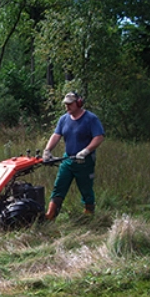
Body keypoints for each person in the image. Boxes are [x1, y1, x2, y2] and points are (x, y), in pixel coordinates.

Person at [42, 92, 105, 220]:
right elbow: (56, 135)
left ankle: (88, 214)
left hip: (84, 161)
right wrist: (47, 150)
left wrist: (86, 151)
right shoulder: (64, 119)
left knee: (86, 188)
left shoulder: (90, 119)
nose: (67, 107)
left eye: (70, 104)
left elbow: (99, 137)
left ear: (79, 103)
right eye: (66, 104)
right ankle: (50, 215)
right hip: (68, 159)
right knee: (59, 185)